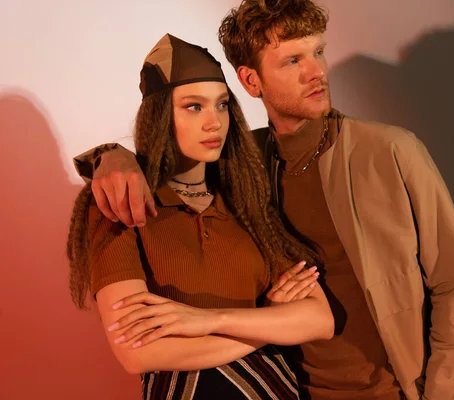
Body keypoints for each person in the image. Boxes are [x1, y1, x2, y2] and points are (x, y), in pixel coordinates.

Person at [74, 1, 454, 399]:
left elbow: (453, 284)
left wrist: (445, 395)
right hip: (291, 386)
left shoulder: (391, 151)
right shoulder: (245, 171)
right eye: (292, 60)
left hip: (391, 390)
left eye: (318, 51)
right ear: (251, 82)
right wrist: (110, 156)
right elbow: (137, 349)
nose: (317, 71)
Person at [66, 33, 334, 400]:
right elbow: (138, 352)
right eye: (194, 107)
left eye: (222, 105)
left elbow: (320, 320)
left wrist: (206, 321)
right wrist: (268, 322)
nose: (215, 123)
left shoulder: (246, 200)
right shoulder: (118, 205)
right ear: (160, 115)